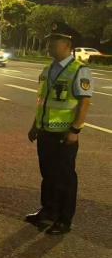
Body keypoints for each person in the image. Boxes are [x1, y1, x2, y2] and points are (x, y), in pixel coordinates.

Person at [26, 22, 93, 235]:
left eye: (55, 40)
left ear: (67, 44)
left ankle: (64, 220)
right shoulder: (48, 69)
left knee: (65, 178)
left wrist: (75, 130)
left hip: (65, 135)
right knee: (48, 175)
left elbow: (84, 103)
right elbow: (43, 102)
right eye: (49, 40)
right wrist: (35, 126)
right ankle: (48, 211)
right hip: (45, 132)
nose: (49, 44)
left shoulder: (79, 70)